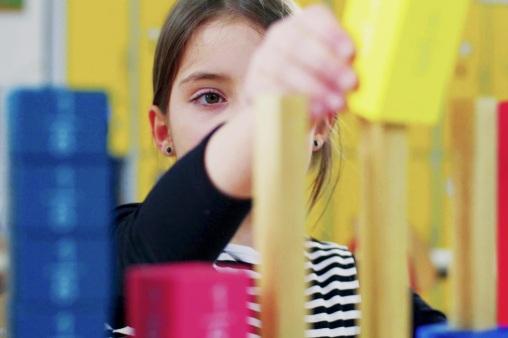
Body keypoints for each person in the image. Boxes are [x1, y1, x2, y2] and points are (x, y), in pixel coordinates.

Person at [110, 0, 446, 336]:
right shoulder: (112, 254)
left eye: (279, 97)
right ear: (162, 131)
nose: (239, 122)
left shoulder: (357, 286)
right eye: (210, 97)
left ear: (319, 126)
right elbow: (141, 260)